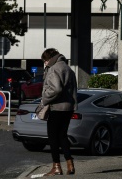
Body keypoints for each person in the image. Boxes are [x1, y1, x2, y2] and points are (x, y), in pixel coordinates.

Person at [39, 48, 78, 176]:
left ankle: (56, 166)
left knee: (53, 137)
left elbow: (56, 89)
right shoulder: (69, 69)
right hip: (68, 108)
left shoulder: (54, 69)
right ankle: (70, 164)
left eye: (45, 60)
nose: (45, 63)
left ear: (49, 59)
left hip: (56, 107)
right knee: (63, 136)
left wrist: (45, 97)